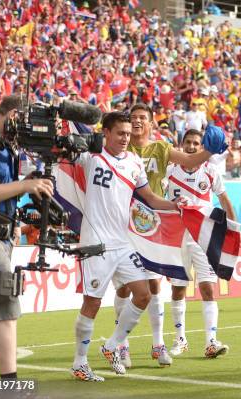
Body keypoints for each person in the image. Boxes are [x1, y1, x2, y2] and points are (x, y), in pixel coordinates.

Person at [71, 112, 187, 381]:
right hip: (96, 242)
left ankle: (113, 345)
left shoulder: (134, 161)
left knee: (143, 294)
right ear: (106, 134)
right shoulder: (90, 157)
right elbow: (67, 148)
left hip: (123, 242)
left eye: (127, 133)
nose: (126, 138)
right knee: (92, 302)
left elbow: (148, 197)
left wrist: (173, 205)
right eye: (120, 133)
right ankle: (79, 362)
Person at [115, 103, 226, 368]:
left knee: (154, 286)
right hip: (121, 224)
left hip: (152, 225)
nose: (138, 121)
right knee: (123, 287)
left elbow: (189, 160)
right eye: (134, 118)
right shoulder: (120, 149)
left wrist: (209, 150)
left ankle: (158, 344)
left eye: (143, 117)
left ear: (152, 123)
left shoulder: (161, 149)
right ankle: (121, 346)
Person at [0, 95, 53, 382]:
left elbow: (0, 189)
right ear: (14, 114)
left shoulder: (5, 144)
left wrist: (14, 219)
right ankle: (9, 384)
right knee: (5, 304)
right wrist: (25, 185)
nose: (30, 130)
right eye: (27, 121)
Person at [165, 128, 241, 359]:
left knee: (208, 288)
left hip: (203, 238)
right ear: (181, 144)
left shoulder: (210, 171)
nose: (191, 146)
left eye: (195, 143)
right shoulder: (169, 170)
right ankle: (180, 339)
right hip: (177, 236)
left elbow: (225, 201)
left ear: (201, 147)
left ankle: (210, 341)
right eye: (187, 142)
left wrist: (235, 230)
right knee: (178, 289)